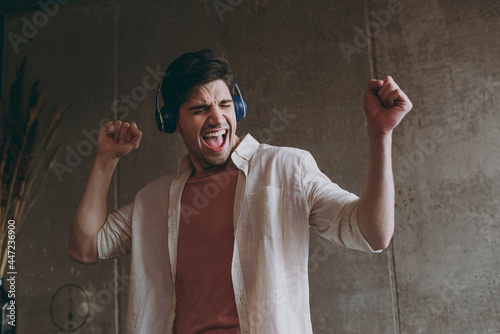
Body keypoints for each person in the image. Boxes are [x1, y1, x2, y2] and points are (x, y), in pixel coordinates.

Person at [68, 49, 412, 334]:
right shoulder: (152, 201)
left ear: (239, 107)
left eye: (225, 104)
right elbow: (85, 247)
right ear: (171, 121)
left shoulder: (287, 169)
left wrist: (379, 136)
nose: (217, 118)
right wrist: (106, 159)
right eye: (200, 109)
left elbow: (372, 233)